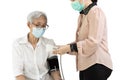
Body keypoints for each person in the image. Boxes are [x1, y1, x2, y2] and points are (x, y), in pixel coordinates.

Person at [53, 0, 113, 80]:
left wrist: (69, 48)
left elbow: (93, 42)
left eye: (73, 0)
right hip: (86, 65)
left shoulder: (95, 11)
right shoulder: (82, 16)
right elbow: (81, 45)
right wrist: (64, 48)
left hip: (96, 63)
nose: (72, 3)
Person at [12, 11, 62, 80]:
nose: (41, 28)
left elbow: (54, 70)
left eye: (44, 25)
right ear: (29, 25)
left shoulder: (49, 43)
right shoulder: (18, 44)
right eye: (38, 25)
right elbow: (18, 74)